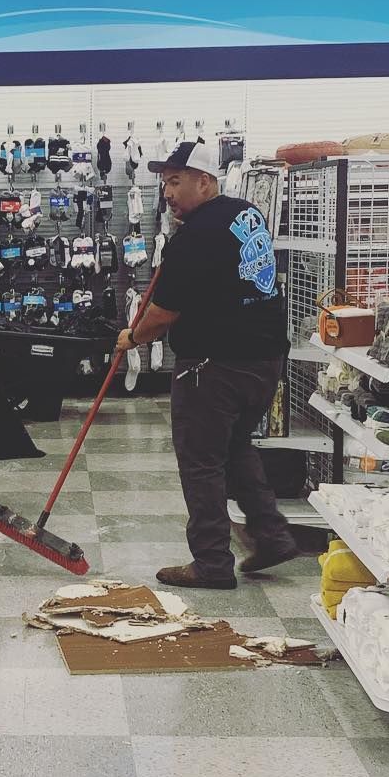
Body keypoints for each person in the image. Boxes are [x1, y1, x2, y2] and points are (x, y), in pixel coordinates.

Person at [115, 140, 296, 589]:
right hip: (265, 362)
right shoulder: (246, 213)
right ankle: (271, 536)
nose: (168, 194)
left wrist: (131, 337)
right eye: (164, 185)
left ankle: (212, 562)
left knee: (200, 462)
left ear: (205, 180)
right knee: (235, 449)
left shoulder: (191, 239)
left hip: (215, 367)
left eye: (176, 182)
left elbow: (160, 315)